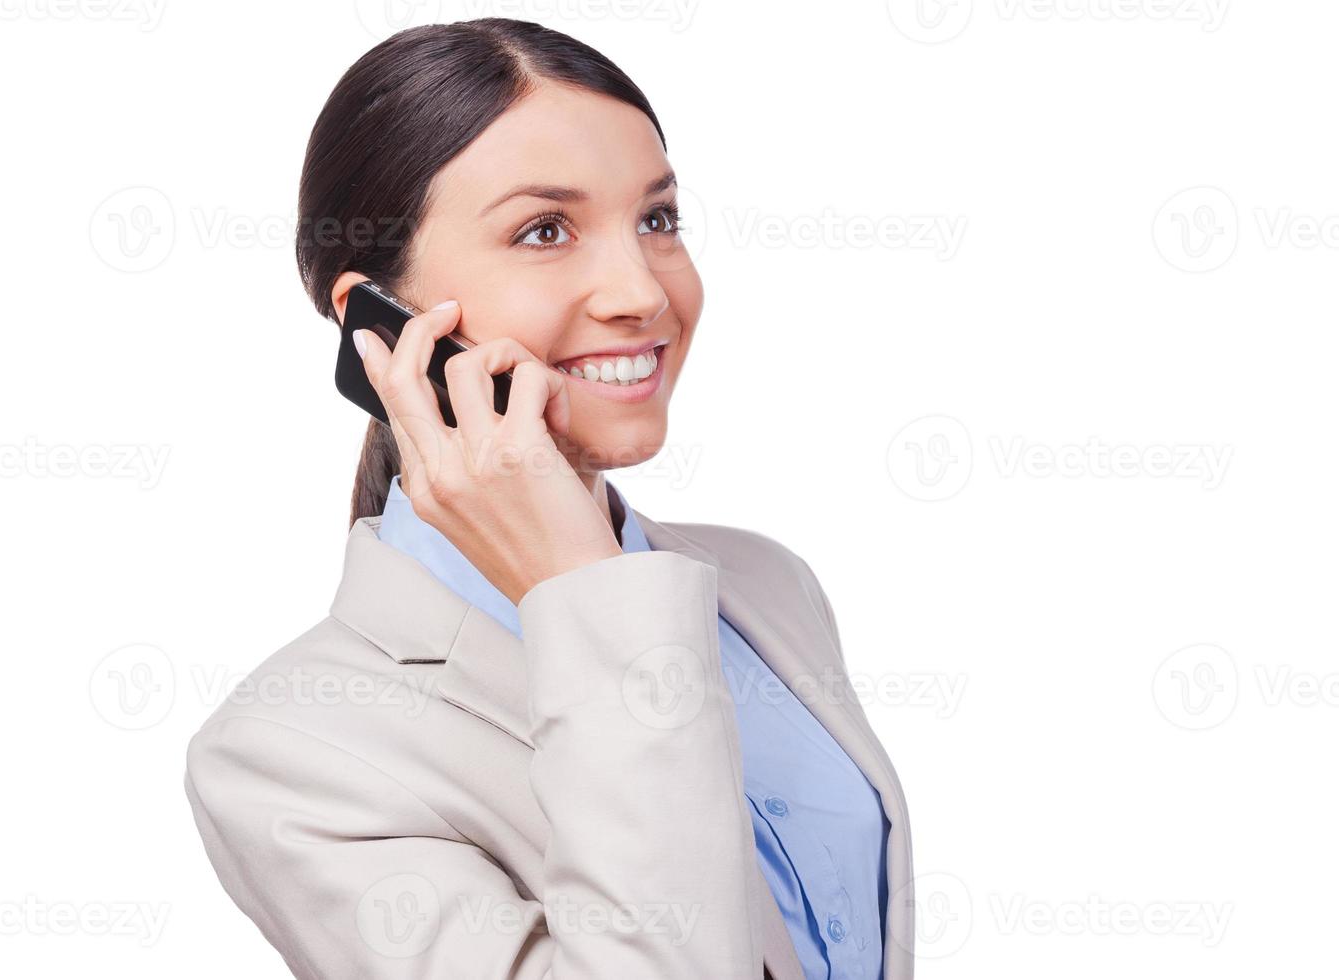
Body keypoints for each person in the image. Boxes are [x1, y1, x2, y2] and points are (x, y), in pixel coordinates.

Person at [182, 17, 913, 979]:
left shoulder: (765, 588)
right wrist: (582, 589)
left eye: (657, 219)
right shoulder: (288, 754)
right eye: (544, 230)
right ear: (380, 325)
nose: (640, 292)